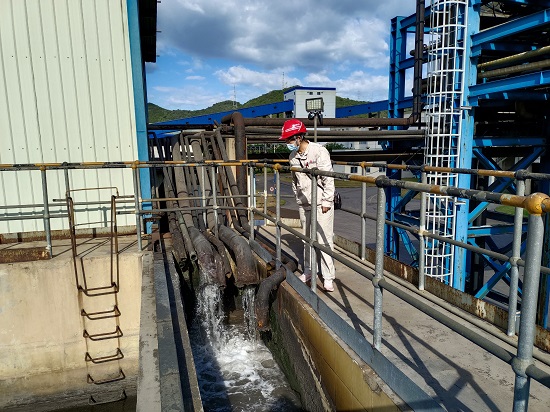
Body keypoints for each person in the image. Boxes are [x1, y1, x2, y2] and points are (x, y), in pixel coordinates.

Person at [279, 119, 336, 292]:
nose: (288, 143)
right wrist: (298, 198)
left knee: (324, 240)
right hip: (304, 203)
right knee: (307, 239)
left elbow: (328, 178)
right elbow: (294, 180)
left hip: (321, 204)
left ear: (299, 137)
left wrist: (327, 201)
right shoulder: (292, 157)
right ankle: (309, 271)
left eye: (289, 139)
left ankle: (328, 277)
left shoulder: (319, 151)